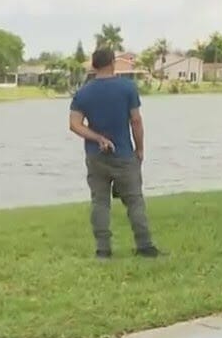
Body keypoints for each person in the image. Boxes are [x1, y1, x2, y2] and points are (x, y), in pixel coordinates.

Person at [68, 47, 161, 260]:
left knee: (100, 202)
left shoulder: (83, 92)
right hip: (124, 154)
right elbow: (136, 121)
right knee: (135, 201)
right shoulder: (127, 88)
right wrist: (140, 149)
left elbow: (74, 124)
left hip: (96, 156)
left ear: (93, 66)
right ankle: (145, 246)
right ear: (113, 63)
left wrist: (97, 138)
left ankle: (103, 249)